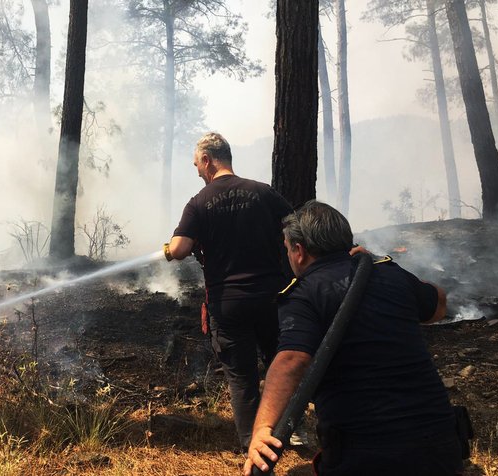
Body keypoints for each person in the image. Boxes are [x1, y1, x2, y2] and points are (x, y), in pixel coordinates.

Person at [245, 201, 463, 476]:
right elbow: (439, 305)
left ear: (299, 251)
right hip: (440, 444)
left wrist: (263, 428)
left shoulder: (304, 293)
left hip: (367, 453)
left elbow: (292, 360)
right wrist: (379, 263)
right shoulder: (390, 273)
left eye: (287, 248)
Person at [163, 132, 294, 450]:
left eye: (196, 164)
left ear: (207, 160)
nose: (196, 170)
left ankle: (254, 446)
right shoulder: (263, 192)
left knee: (241, 378)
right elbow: (296, 226)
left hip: (229, 303)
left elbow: (180, 249)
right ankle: (292, 428)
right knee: (281, 364)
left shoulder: (199, 202)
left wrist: (168, 249)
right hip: (271, 298)